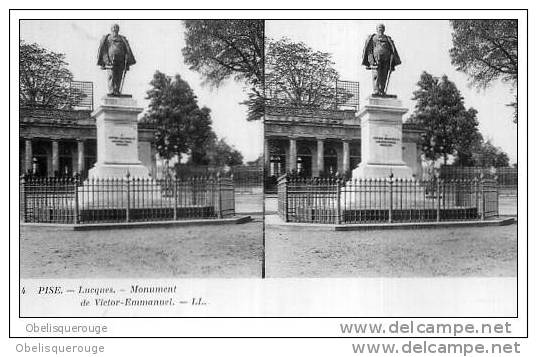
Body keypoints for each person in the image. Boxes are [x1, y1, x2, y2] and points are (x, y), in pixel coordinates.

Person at [361, 24, 401, 96]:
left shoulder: (387, 38)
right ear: (377, 29)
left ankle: (382, 90)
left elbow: (392, 50)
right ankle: (376, 90)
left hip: (386, 59)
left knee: (384, 75)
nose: (381, 29)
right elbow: (369, 50)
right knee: (376, 75)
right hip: (376, 59)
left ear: (384, 29)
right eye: (379, 28)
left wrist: (392, 59)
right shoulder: (373, 38)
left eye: (382, 28)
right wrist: (371, 61)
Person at [97, 24, 136, 96]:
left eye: (116, 28)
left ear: (118, 29)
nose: (115, 29)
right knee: (111, 75)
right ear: (111, 29)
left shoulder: (122, 39)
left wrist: (127, 58)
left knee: (119, 76)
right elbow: (104, 50)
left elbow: (126, 49)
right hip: (110, 60)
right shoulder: (107, 38)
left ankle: (117, 90)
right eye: (113, 28)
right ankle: (112, 90)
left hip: (121, 60)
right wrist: (106, 60)